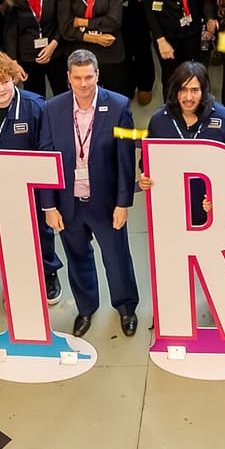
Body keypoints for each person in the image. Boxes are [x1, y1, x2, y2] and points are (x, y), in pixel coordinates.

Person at [39, 50, 139, 338]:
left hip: (105, 202)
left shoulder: (118, 106)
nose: (84, 84)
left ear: (98, 75)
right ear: (68, 78)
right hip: (68, 203)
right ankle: (86, 307)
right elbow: (47, 159)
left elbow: (125, 161)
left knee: (117, 257)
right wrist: (48, 205)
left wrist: (123, 203)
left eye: (89, 77)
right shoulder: (52, 109)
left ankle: (126, 308)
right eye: (78, 78)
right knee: (77, 257)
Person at [0, 53, 62, 300]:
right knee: (8, 234)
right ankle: (19, 275)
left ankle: (49, 271)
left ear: (14, 79)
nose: (1, 89)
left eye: (5, 81)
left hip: (31, 189)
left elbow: (47, 149)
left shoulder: (36, 106)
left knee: (40, 232)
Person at [141, 60, 225, 229]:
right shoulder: (159, 121)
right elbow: (147, 161)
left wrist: (221, 197)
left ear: (204, 90)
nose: (188, 97)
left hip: (211, 207)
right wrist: (145, 177)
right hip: (172, 207)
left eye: (195, 90)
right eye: (183, 90)